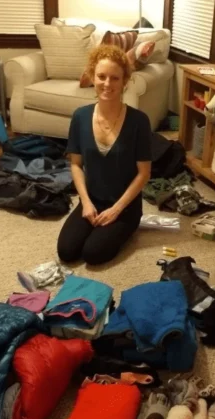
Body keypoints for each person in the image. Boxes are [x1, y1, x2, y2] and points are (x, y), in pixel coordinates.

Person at [57, 45, 152, 265]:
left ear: (124, 81)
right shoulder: (80, 116)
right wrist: (86, 202)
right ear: (92, 76)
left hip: (124, 206)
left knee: (94, 254)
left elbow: (144, 173)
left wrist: (117, 209)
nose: (107, 84)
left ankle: (126, 225)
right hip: (92, 200)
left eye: (115, 78)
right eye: (101, 77)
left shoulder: (139, 121)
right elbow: (76, 165)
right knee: (67, 251)